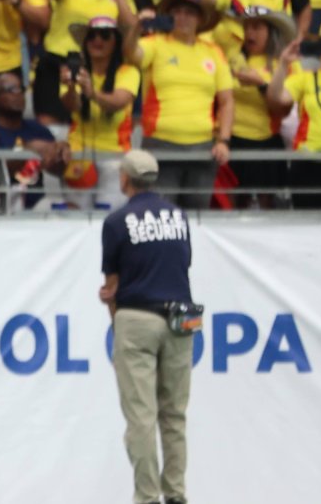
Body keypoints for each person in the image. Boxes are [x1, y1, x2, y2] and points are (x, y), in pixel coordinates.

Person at [99, 149, 195, 504]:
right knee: (175, 414)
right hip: (184, 312)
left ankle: (147, 497)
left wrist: (116, 320)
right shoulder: (180, 217)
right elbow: (183, 265)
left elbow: (112, 287)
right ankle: (177, 494)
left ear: (124, 178)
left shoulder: (116, 222)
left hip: (137, 313)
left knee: (141, 417)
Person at [125, 0, 234, 210]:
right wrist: (137, 26)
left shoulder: (213, 51)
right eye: (177, 12)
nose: (183, 17)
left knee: (198, 215)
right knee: (162, 213)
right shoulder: (155, 43)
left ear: (200, 19)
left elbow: (227, 100)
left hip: (203, 147)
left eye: (189, 13)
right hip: (161, 144)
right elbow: (130, 53)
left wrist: (223, 140)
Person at [268, 21, 321, 209]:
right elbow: (277, 97)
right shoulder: (306, 78)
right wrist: (283, 64)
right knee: (308, 220)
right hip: (310, 162)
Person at [39, 0, 128, 124]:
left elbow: (129, 27)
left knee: (83, 123)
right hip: (56, 59)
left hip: (94, 66)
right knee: (50, 126)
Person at [59, 17, 141, 210]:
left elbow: (118, 103)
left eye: (105, 35)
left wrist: (92, 93)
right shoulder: (74, 71)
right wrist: (71, 88)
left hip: (115, 155)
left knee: (110, 214)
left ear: (116, 42)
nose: (98, 40)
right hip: (79, 154)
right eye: (91, 36)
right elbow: (72, 106)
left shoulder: (128, 71)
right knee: (75, 215)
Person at [0, 72, 71, 211]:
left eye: (21, 90)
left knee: (68, 210)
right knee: (4, 207)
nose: (18, 95)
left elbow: (57, 170)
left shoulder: (38, 130)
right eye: (11, 89)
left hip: (33, 202)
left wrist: (61, 151)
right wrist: (28, 151)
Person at [229, 8, 297, 209]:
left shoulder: (284, 65)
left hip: (266, 139)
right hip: (232, 139)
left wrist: (261, 85)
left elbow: (283, 109)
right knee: (234, 198)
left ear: (271, 32)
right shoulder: (231, 60)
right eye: (247, 27)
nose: (250, 33)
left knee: (267, 200)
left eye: (257, 27)